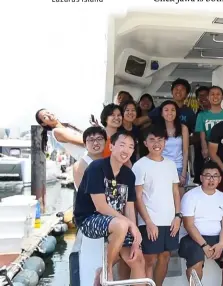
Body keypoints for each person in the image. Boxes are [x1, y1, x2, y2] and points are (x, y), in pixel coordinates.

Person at [73, 130, 145, 282]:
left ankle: (102, 272)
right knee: (121, 225)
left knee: (137, 260)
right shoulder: (96, 168)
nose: (126, 150)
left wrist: (135, 236)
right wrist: (131, 224)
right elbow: (101, 207)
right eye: (122, 145)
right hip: (89, 219)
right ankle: (108, 269)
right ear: (111, 147)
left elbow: (129, 207)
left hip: (118, 222)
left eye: (131, 147)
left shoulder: (129, 175)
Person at [132, 126, 182, 286]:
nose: (156, 143)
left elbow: (175, 192)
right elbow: (138, 196)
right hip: (150, 221)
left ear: (165, 142)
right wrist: (148, 222)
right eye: (152, 140)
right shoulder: (139, 165)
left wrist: (178, 216)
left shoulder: (170, 164)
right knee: (150, 259)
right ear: (145, 143)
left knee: (165, 256)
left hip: (170, 220)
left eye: (160, 139)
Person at [179, 161, 223, 285]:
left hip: (218, 237)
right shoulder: (190, 196)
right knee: (196, 260)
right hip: (193, 238)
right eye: (208, 175)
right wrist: (204, 245)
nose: (211, 179)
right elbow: (188, 224)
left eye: (215, 176)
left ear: (220, 179)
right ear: (201, 178)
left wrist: (221, 244)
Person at [155, 100, 190, 188]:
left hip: (178, 168)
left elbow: (185, 151)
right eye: (166, 110)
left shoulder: (183, 128)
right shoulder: (157, 129)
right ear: (162, 113)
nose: (170, 112)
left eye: (173, 110)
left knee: (179, 199)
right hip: (161, 168)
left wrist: (183, 173)